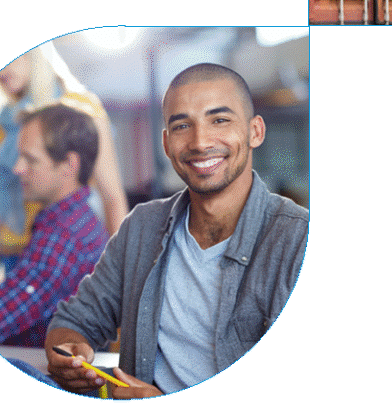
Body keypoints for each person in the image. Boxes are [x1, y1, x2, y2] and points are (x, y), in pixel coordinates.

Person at [45, 63, 309, 399]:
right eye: (183, 125)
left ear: (255, 131)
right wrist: (68, 355)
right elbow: (75, 319)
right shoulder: (141, 228)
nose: (200, 142)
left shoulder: (297, 241)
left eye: (220, 120)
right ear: (167, 144)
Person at [0, 103, 109, 347]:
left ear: (69, 165)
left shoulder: (64, 236)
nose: (17, 169)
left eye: (30, 159)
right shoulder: (75, 221)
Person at [0, 45, 128, 291]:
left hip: (64, 255)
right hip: (13, 258)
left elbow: (112, 198)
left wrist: (122, 278)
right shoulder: (4, 122)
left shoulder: (82, 109)